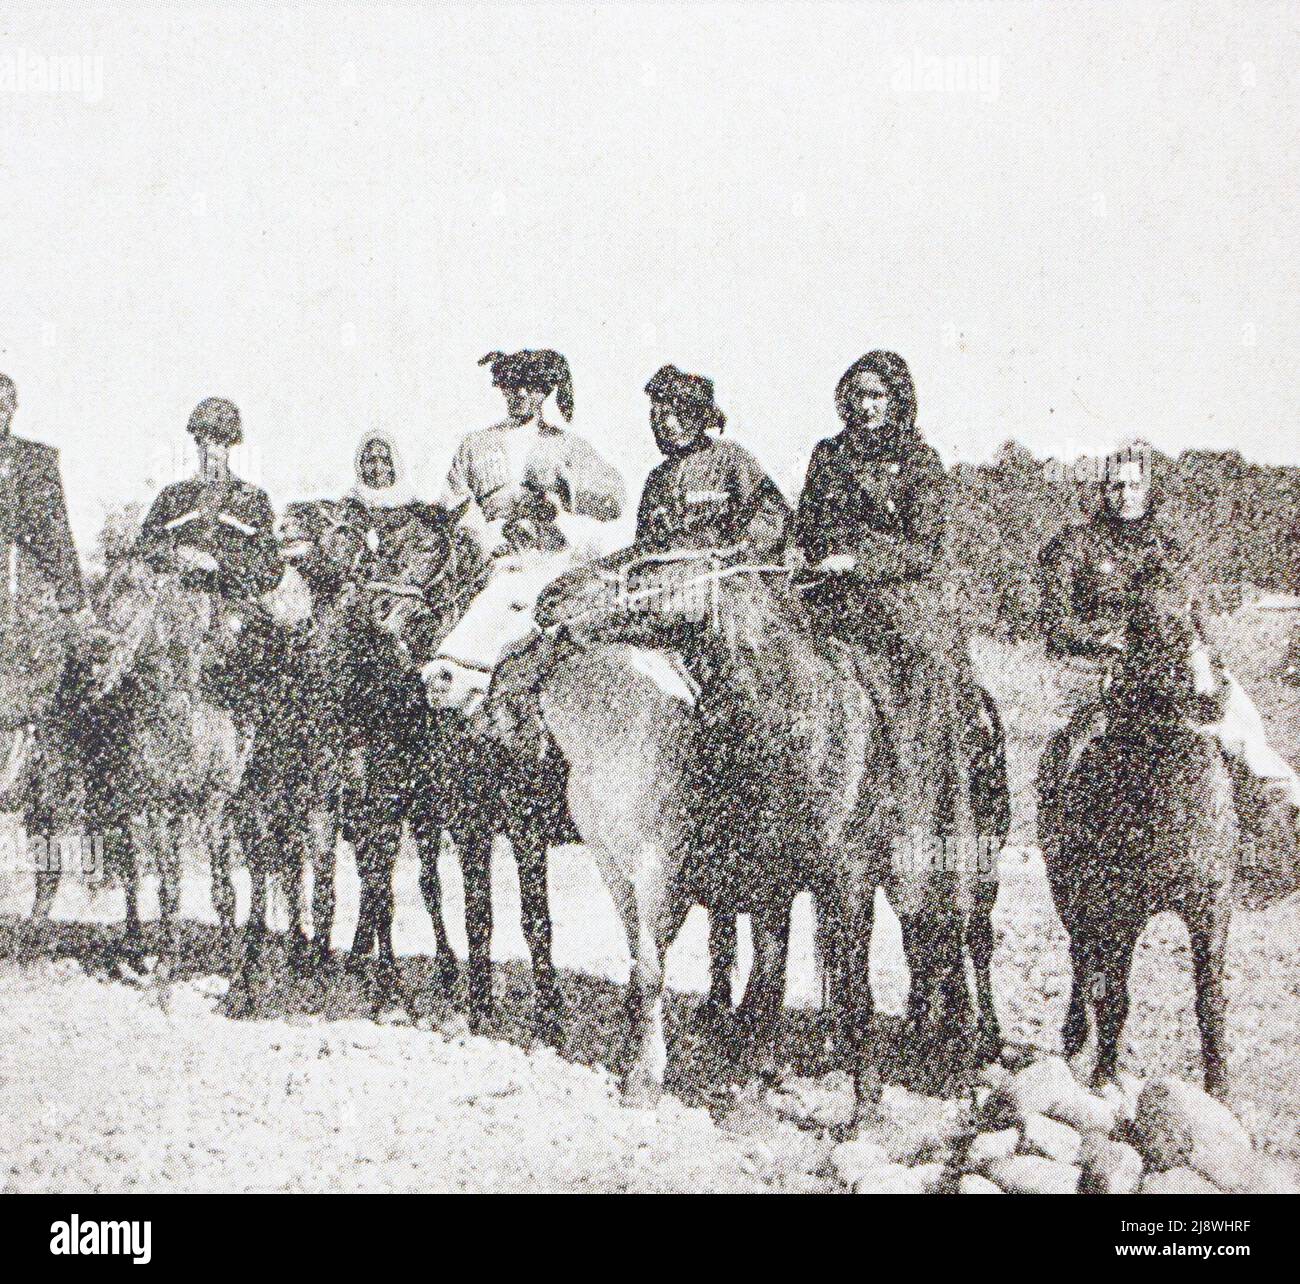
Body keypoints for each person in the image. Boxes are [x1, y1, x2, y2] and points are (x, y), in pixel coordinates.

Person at [1036, 444, 1300, 875]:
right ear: (1102, 489)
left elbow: (1193, 616)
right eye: (1116, 485)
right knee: (1074, 752)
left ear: (1149, 488)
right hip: (1105, 670)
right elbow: (1056, 626)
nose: (1125, 494)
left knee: (1243, 734)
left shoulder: (1169, 547)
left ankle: (1266, 844)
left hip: (1174, 667)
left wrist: (1208, 664)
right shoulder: (1073, 547)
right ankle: (1066, 844)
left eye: (1134, 485)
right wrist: (1112, 639)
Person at [793, 350, 979, 842]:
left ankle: (937, 791)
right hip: (829, 594)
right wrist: (805, 553)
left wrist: (859, 562)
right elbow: (807, 521)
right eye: (858, 395)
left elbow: (924, 547)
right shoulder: (828, 455)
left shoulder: (919, 461)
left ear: (897, 400)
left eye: (877, 395)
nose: (867, 406)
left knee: (930, 673)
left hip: (899, 598)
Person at [441, 349, 624, 561]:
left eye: (531, 387)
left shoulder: (568, 445)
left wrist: (566, 498)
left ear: (545, 391)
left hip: (553, 557)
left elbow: (615, 500)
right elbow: (451, 502)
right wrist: (483, 535)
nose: (520, 394)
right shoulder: (474, 445)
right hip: (491, 556)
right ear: (502, 386)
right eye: (513, 385)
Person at [634, 364, 790, 560]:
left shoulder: (731, 458)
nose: (668, 423)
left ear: (697, 414)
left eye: (676, 412)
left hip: (730, 579)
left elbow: (775, 516)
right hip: (676, 582)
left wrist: (741, 549)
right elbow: (642, 550)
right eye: (660, 415)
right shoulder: (657, 479)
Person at [137, 397, 280, 602]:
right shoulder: (173, 497)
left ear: (231, 445)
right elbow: (146, 545)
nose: (214, 451)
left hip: (234, 607)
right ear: (197, 443)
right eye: (208, 442)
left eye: (222, 443)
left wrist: (222, 563)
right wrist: (181, 554)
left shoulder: (253, 499)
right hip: (180, 606)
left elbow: (269, 564)